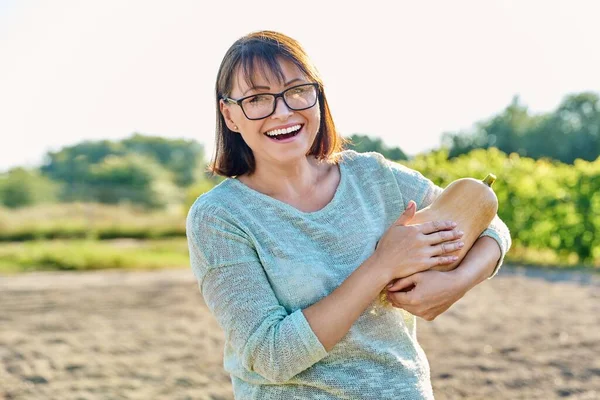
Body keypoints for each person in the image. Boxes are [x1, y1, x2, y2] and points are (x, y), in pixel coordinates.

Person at [186, 30, 511, 400]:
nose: (283, 111)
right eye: (258, 99)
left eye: (297, 90)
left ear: (318, 95)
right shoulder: (220, 217)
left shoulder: (375, 177)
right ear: (229, 115)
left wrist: (457, 283)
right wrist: (382, 264)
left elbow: (492, 227)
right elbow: (271, 355)